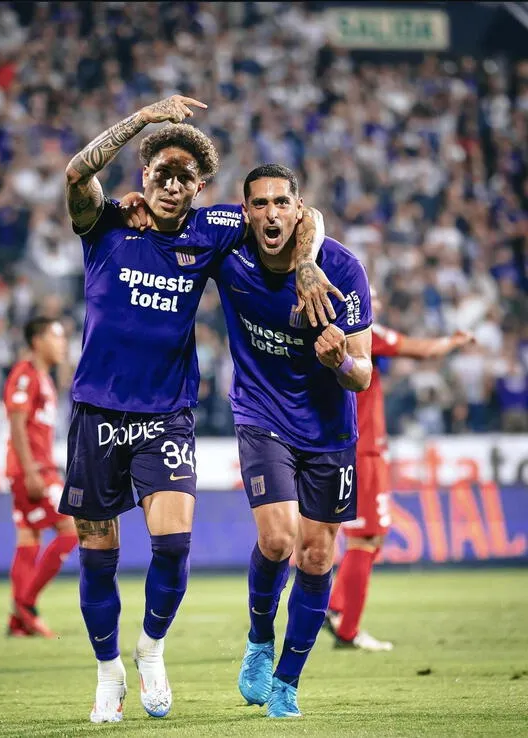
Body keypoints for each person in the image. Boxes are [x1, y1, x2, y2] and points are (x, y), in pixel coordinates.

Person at [58, 95, 339, 724]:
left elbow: (304, 214)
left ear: (199, 186)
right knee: (97, 549)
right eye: (161, 171)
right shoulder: (105, 224)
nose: (172, 184)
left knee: (173, 543)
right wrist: (142, 121)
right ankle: (109, 674)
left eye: (185, 175)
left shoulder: (212, 230)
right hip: (97, 410)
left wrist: (309, 263)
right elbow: (76, 173)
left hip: (167, 412)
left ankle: (151, 649)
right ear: (144, 176)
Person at [210, 164, 373, 718]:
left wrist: (339, 360)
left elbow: (364, 374)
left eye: (282, 202)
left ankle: (288, 681)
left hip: (328, 429)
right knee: (278, 541)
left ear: (298, 208)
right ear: (245, 209)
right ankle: (259, 638)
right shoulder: (228, 248)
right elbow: (173, 225)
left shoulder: (343, 269)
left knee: (317, 553)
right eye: (260, 204)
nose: (271, 213)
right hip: (261, 414)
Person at [326, 290, 475, 650]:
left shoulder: (328, 336)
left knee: (369, 538)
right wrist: (453, 341)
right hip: (362, 449)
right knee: (366, 537)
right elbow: (420, 350)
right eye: (370, 298)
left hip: (353, 446)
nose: (373, 305)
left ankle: (333, 609)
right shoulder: (361, 333)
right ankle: (346, 628)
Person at [3, 316, 77, 638]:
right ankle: (27, 605)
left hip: (36, 469)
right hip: (34, 472)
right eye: (56, 336)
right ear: (37, 341)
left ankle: (18, 623)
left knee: (28, 539)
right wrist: (32, 471)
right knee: (73, 529)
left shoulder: (44, 378)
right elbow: (17, 425)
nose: (62, 344)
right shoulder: (25, 375)